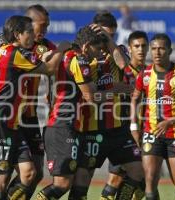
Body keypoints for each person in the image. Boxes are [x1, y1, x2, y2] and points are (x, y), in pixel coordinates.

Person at [0, 15, 66, 200]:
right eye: (29, 32)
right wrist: (62, 48)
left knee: (29, 172)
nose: (33, 35)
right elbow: (49, 68)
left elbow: (39, 60)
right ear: (17, 35)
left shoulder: (12, 51)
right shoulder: (13, 53)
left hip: (10, 124)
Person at [35, 25, 122, 200]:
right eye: (96, 49)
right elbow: (91, 97)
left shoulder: (65, 55)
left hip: (70, 125)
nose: (98, 54)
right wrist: (117, 90)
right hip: (62, 124)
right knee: (62, 184)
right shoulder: (78, 59)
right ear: (86, 45)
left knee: (78, 181)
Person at [68, 11, 143, 200]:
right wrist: (117, 90)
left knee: (138, 173)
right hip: (91, 128)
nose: (104, 41)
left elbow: (126, 67)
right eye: (101, 36)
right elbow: (89, 95)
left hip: (118, 128)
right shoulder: (83, 57)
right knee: (83, 179)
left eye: (109, 35)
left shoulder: (117, 52)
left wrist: (110, 42)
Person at [130, 33, 175, 200]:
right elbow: (135, 100)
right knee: (150, 182)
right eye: (153, 49)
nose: (157, 52)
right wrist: (134, 126)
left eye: (161, 49)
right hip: (151, 134)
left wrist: (171, 121)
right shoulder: (144, 74)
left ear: (170, 51)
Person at [102, 30, 149, 200]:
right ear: (129, 49)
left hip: (145, 130)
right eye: (137, 46)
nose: (141, 50)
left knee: (144, 179)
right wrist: (107, 37)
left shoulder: (150, 72)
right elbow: (117, 56)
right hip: (124, 130)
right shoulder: (126, 71)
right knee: (117, 177)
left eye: (144, 46)